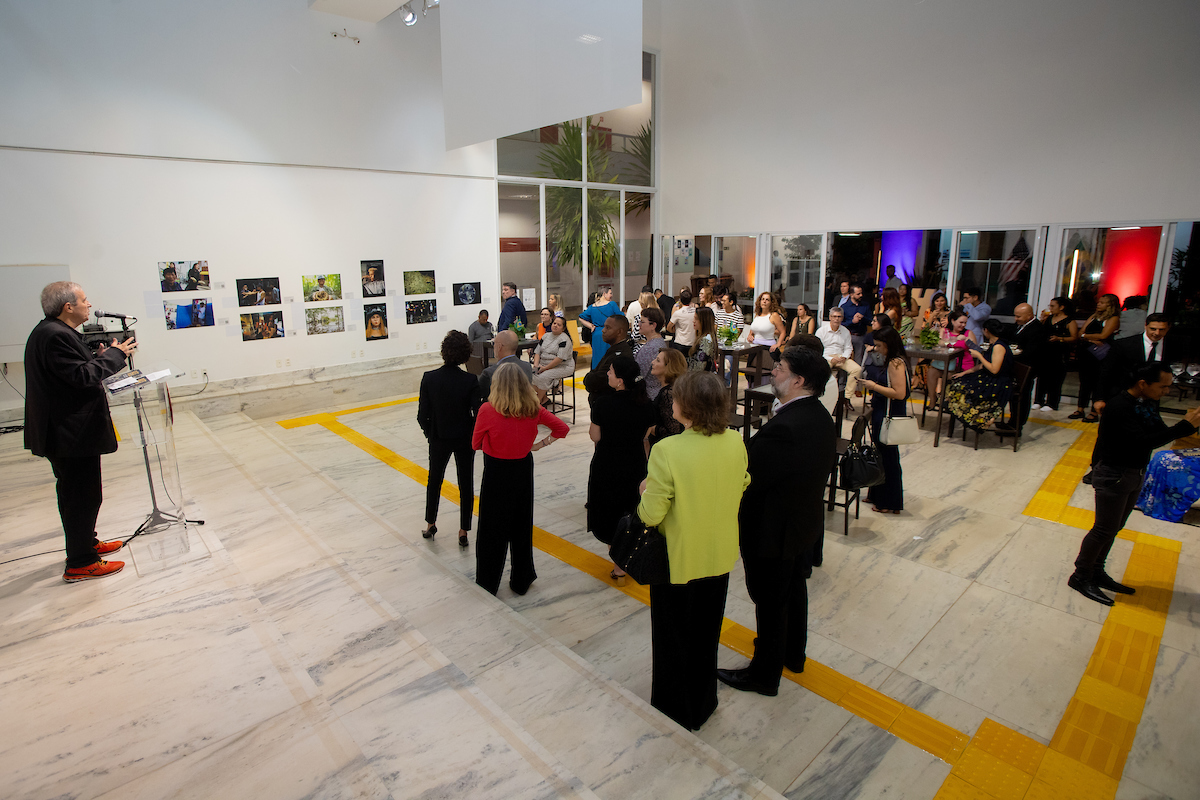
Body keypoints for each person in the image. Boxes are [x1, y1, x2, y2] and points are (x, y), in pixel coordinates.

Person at [636, 371, 750, 730]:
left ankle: (675, 707)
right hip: (718, 554)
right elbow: (743, 482)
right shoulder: (735, 441)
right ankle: (704, 701)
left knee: (673, 638)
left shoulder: (667, 449)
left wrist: (643, 493)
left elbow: (652, 513)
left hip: (679, 558)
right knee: (705, 633)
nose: (672, 402)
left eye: (676, 398)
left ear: (686, 406)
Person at [718, 347, 835, 696]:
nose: (773, 374)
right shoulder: (817, 414)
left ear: (799, 380)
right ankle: (792, 654)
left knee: (770, 602)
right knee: (792, 592)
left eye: (780, 369)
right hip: (802, 524)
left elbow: (750, 475)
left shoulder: (787, 427)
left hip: (774, 529)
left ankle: (764, 675)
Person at [24, 281, 137, 582]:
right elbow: (82, 377)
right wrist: (115, 356)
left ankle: (86, 544)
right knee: (81, 497)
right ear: (68, 307)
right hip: (69, 434)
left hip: (68, 432)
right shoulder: (55, 336)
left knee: (82, 495)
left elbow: (71, 373)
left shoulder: (53, 332)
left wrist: (98, 357)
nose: (89, 305)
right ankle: (80, 562)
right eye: (84, 300)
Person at [1068, 363, 1200, 606]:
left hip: (1134, 472)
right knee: (1103, 529)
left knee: (1115, 526)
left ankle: (1097, 571)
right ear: (1143, 384)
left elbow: (1159, 433)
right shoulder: (1119, 407)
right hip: (1114, 474)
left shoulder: (1146, 403)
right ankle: (1080, 576)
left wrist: (1188, 428)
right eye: (1163, 386)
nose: (1167, 392)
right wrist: (1184, 426)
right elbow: (1142, 442)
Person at [472, 362, 569, 595]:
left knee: (491, 528)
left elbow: (475, 443)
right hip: (523, 468)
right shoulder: (533, 408)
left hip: (496, 471)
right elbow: (562, 429)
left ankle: (488, 580)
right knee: (521, 525)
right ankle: (521, 579)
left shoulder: (487, 409)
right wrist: (539, 444)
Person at [588, 356, 658, 584]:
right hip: (635, 463)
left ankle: (617, 562)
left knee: (609, 510)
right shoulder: (646, 404)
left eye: (610, 372)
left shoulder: (604, 404)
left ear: (620, 381)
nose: (607, 374)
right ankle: (627, 559)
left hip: (608, 464)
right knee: (629, 510)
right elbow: (646, 434)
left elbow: (595, 436)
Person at [417, 331, 481, 549]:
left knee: (434, 480)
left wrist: (431, 433)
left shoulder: (430, 378)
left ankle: (430, 523)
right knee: (466, 483)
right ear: (465, 354)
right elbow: (477, 413)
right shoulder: (470, 380)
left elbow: (421, 415)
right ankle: (463, 530)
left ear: (444, 351)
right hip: (464, 438)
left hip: (439, 438)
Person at [859, 327, 910, 514]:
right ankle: (877, 494)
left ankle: (889, 501)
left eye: (880, 346)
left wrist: (874, 386)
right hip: (883, 411)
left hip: (889, 414)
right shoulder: (894, 361)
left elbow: (899, 393)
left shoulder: (895, 363)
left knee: (888, 458)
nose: (878, 349)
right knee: (880, 455)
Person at [946, 318, 1014, 430]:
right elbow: (982, 366)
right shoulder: (994, 344)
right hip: (989, 376)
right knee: (956, 381)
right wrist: (964, 373)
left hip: (997, 381)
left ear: (986, 330)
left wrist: (979, 356)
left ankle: (974, 417)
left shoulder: (999, 346)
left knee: (960, 387)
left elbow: (994, 369)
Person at [1071, 292, 1120, 422]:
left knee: (1098, 382)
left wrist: (1086, 336)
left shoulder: (1113, 318)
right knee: (1084, 381)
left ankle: (1094, 411)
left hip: (1101, 355)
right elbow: (1081, 332)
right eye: (1098, 302)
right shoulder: (1093, 316)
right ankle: (1080, 408)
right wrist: (1089, 338)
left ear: (1110, 305)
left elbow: (1104, 336)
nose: (1099, 304)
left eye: (1102, 303)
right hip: (1087, 353)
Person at [1003, 303, 1046, 432]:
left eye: (1019, 316)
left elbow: (1032, 351)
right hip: (1017, 365)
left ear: (1029, 315)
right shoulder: (1020, 326)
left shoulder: (1037, 329)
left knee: (1022, 396)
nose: (1016, 319)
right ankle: (1012, 421)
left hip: (1027, 367)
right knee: (1014, 396)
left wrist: (1016, 352)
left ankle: (1017, 425)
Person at [1110, 312, 1175, 396]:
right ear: (1145, 326)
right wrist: (1099, 398)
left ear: (1168, 328)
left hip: (1154, 395)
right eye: (1153, 329)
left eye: (1161, 329)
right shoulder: (1124, 344)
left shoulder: (1172, 346)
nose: (1157, 333)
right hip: (1125, 392)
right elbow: (1108, 371)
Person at [1034, 297, 1079, 412]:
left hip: (1059, 353)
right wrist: (1042, 320)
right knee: (1042, 377)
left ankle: (1052, 402)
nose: (1051, 308)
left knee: (1055, 379)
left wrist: (1060, 338)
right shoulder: (1049, 318)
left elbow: (1074, 337)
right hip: (1046, 352)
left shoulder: (1069, 321)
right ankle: (1039, 400)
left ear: (1062, 307)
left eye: (1053, 306)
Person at [926, 310, 977, 407]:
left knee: (949, 375)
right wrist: (947, 341)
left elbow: (976, 350)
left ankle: (945, 399)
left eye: (965, 323)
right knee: (931, 372)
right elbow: (938, 344)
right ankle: (933, 398)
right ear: (953, 321)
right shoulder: (945, 331)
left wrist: (966, 340)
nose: (963, 325)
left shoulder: (968, 333)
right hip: (945, 364)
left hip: (962, 366)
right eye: (961, 322)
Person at [583, 315, 635, 398]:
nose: (603, 331)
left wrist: (589, 378)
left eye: (608, 328)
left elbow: (597, 381)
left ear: (619, 332)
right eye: (604, 327)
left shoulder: (621, 354)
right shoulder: (613, 349)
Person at [646, 348, 688, 448]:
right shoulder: (670, 389)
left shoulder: (668, 393)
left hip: (666, 447)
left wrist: (652, 428)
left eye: (658, 360)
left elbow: (673, 431)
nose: (653, 362)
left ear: (669, 367)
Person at [816, 307, 861, 397]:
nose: (836, 319)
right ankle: (821, 393)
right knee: (822, 369)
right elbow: (817, 349)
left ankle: (847, 397)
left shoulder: (845, 331)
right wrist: (830, 358)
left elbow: (848, 348)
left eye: (839, 316)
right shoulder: (821, 331)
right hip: (826, 357)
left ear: (842, 318)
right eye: (834, 316)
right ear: (830, 317)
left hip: (841, 357)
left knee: (857, 369)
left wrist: (844, 357)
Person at [531, 315, 575, 405]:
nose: (555, 326)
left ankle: (537, 402)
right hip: (543, 364)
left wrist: (545, 368)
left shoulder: (564, 339)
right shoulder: (545, 336)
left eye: (559, 325)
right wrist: (536, 365)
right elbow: (537, 352)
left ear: (563, 328)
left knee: (543, 377)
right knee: (528, 375)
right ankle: (544, 399)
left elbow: (559, 359)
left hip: (563, 366)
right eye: (554, 323)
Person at [478, 329, 533, 399]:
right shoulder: (527, 367)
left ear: (499, 347)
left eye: (493, 343)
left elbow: (479, 395)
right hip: (523, 408)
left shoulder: (490, 372)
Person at [578, 287, 622, 367]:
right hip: (610, 333)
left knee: (597, 357)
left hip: (596, 334)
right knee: (609, 357)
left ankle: (597, 374)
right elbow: (620, 316)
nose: (611, 295)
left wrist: (590, 326)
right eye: (610, 293)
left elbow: (581, 317)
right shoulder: (611, 304)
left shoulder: (592, 307)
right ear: (604, 294)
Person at [634, 307, 669, 399]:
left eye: (642, 322)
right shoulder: (659, 341)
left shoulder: (650, 348)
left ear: (653, 325)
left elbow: (638, 374)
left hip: (649, 395)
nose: (639, 324)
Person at [747, 292, 787, 356]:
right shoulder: (757, 315)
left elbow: (783, 332)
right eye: (762, 299)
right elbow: (752, 331)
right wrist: (749, 336)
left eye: (767, 300)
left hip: (768, 347)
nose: (764, 301)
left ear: (771, 303)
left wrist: (778, 344)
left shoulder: (773, 315)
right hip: (754, 346)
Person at [842, 284, 873, 365]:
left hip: (861, 336)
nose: (861, 295)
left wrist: (863, 318)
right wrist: (852, 321)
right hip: (848, 335)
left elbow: (871, 321)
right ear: (851, 295)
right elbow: (841, 324)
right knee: (845, 360)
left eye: (861, 293)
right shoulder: (845, 307)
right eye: (858, 294)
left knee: (858, 361)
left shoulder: (865, 306)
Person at [688, 307, 718, 372]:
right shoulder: (703, 337)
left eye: (696, 319)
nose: (693, 321)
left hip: (701, 378)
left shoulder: (706, 340)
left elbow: (700, 366)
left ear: (704, 321)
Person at [667, 290, 696, 355]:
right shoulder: (696, 311)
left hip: (680, 342)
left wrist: (675, 331)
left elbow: (668, 327)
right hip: (693, 342)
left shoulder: (678, 313)